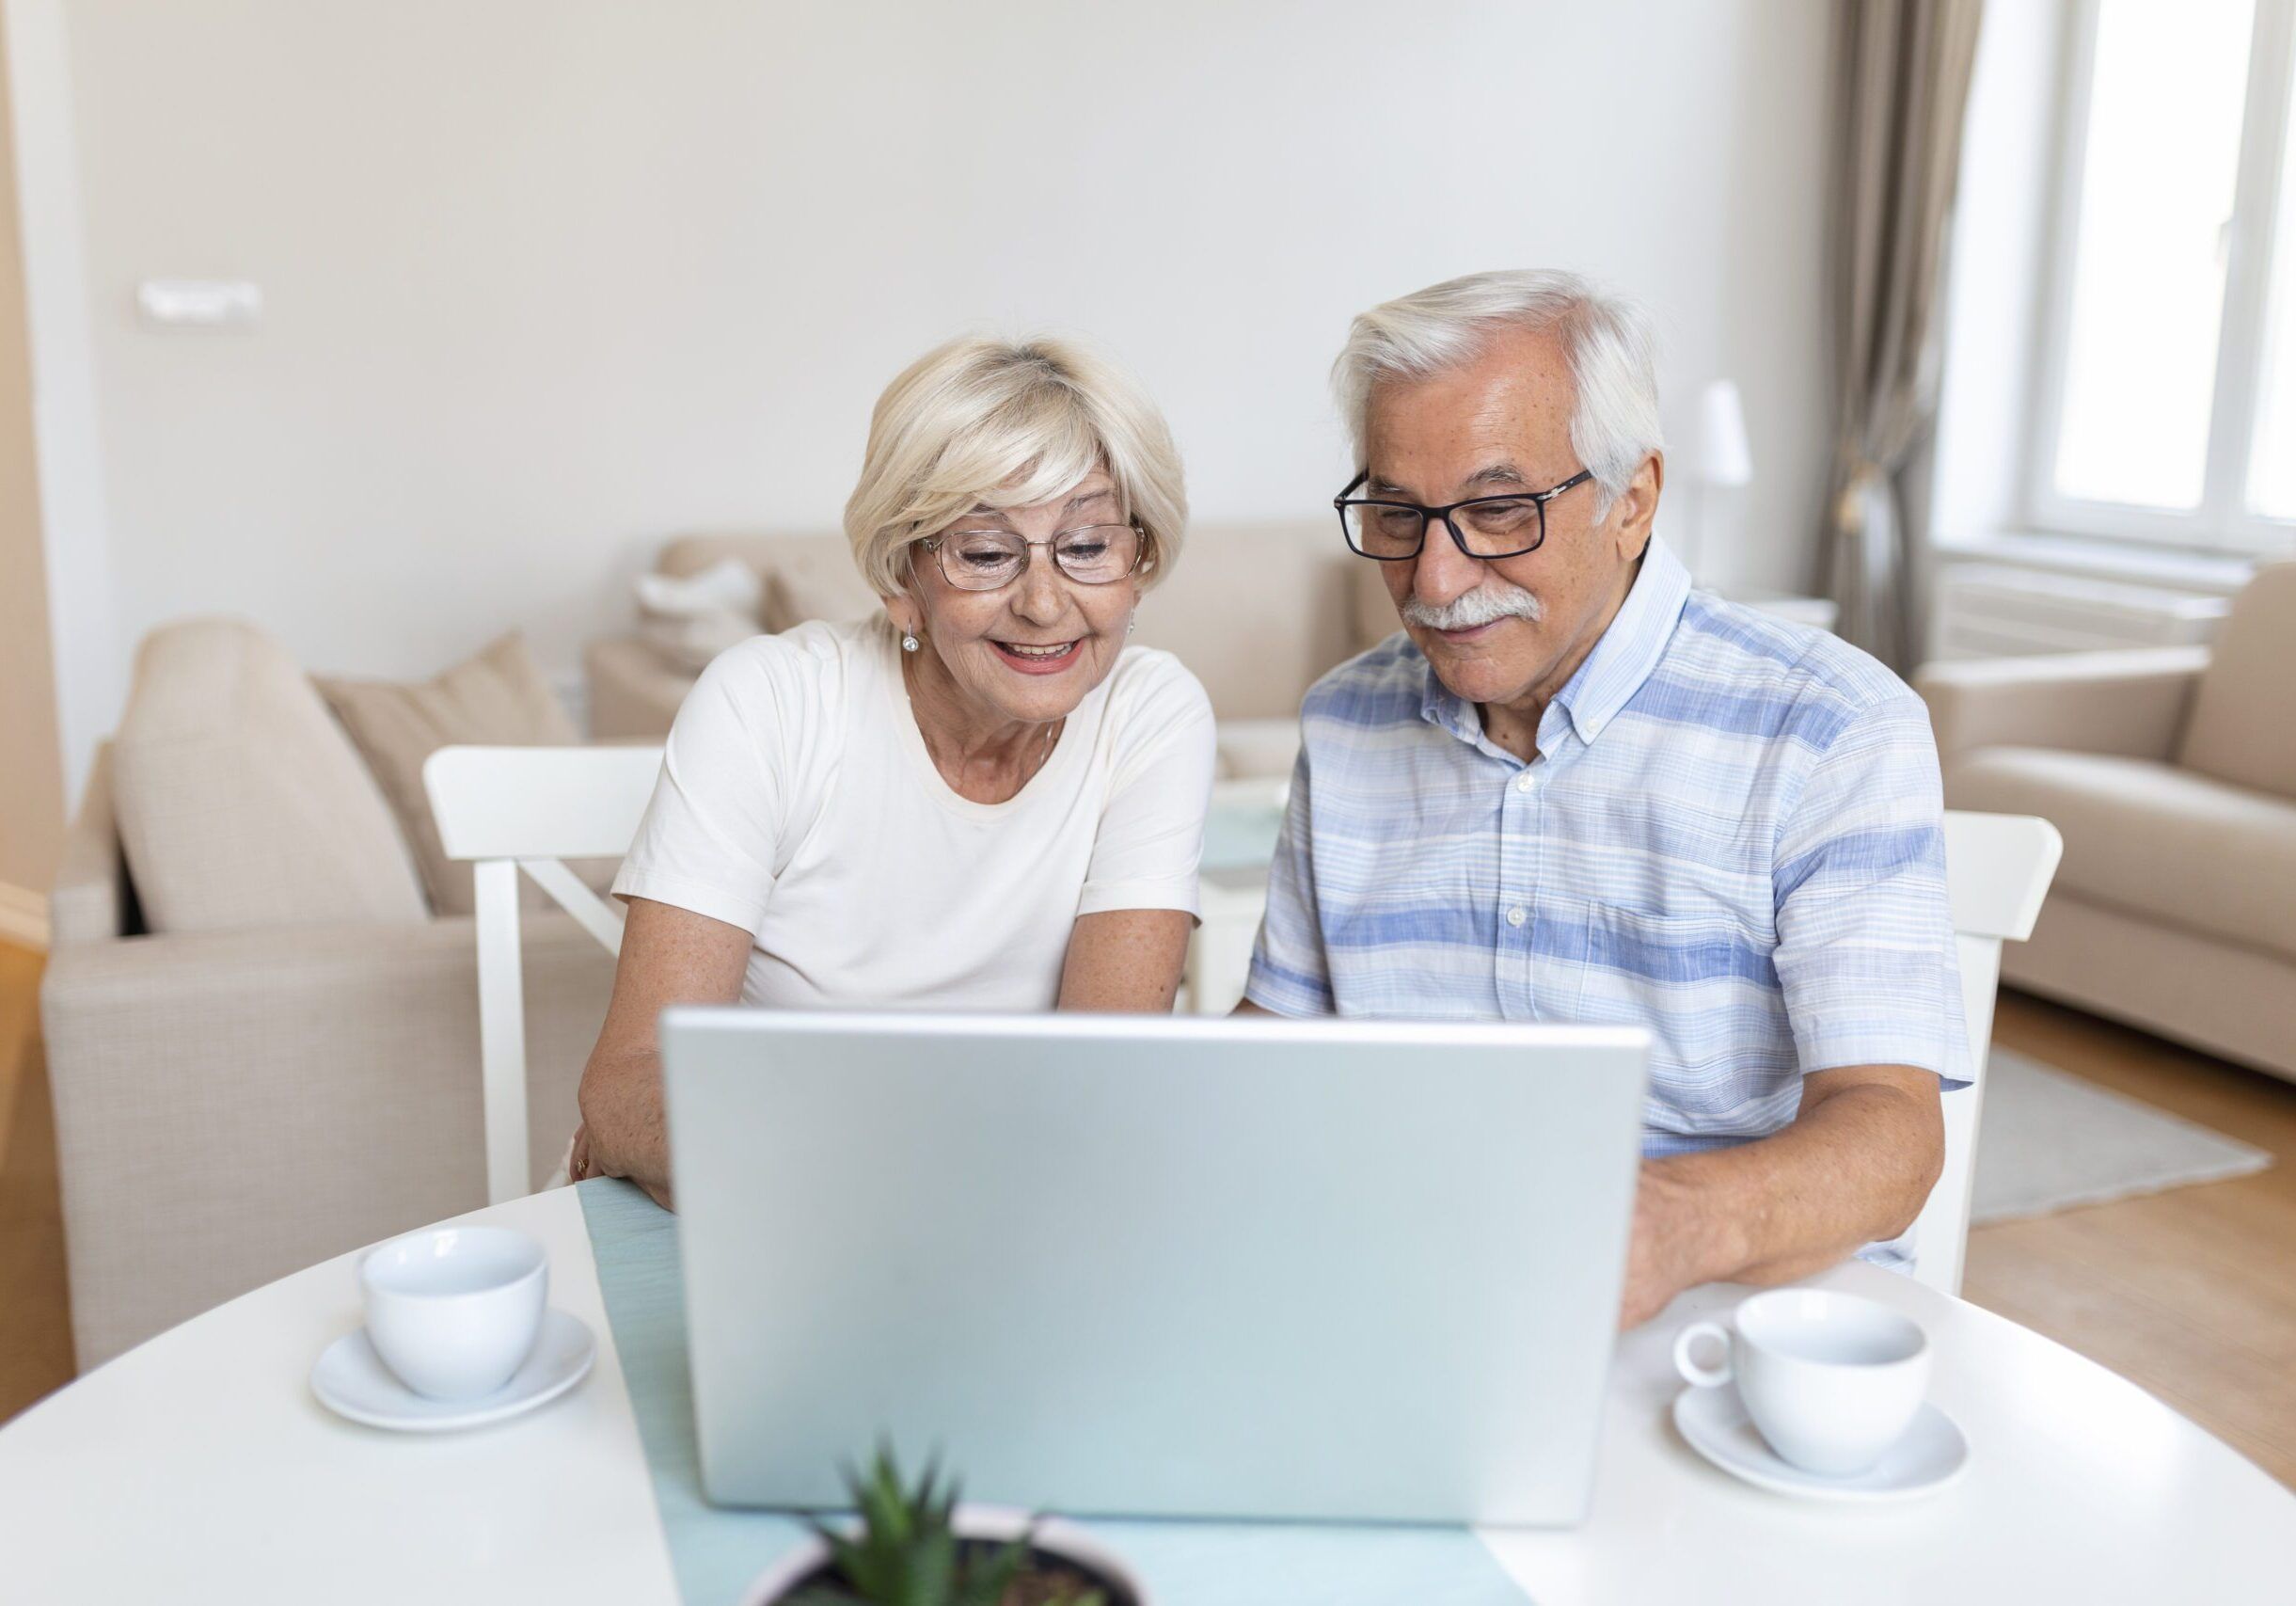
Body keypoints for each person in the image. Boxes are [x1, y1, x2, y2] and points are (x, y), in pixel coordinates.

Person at [1242, 269, 1966, 1327]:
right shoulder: (1345, 723)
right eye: (1396, 514)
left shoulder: (1831, 728)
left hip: (1730, 1317)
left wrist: (1662, 1227)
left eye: (1496, 510)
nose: (1434, 582)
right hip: (1404, 1289)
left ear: (1630, 501)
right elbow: (1275, 1058)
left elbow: (1890, 1138)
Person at [573, 334, 1216, 1205]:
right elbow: (624, 1094)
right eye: (985, 552)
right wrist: (974, 1145)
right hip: (773, 1223)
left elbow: (1100, 1096)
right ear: (899, 577)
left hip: (997, 1227)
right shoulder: (769, 702)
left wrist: (754, 1135)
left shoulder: (1151, 715)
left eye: (1088, 545)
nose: (1042, 600)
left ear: (1137, 565)